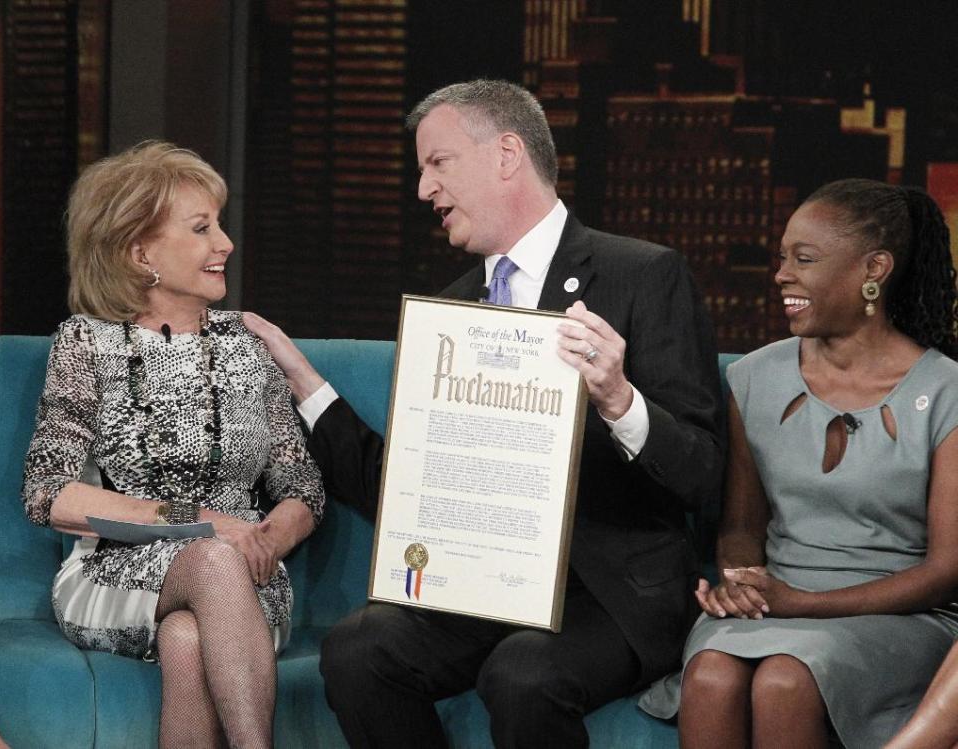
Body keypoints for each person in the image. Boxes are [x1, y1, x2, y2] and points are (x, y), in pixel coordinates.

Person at [244, 78, 723, 747]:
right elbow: (402, 483)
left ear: (505, 155)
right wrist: (303, 380)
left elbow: (702, 473)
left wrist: (618, 398)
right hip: (484, 584)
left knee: (524, 675)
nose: (423, 190)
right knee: (359, 650)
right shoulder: (452, 309)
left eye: (438, 164)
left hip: (611, 591)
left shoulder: (643, 275)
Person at [21, 141, 325, 748]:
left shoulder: (248, 344)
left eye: (220, 224)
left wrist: (263, 539)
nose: (226, 245)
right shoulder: (88, 342)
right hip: (117, 572)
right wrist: (209, 525)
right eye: (202, 228)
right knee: (212, 561)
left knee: (188, 637)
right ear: (140, 252)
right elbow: (49, 494)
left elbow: (302, 489)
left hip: (246, 575)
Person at [636, 178, 958, 749]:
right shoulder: (754, 378)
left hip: (897, 613)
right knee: (709, 677)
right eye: (782, 258)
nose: (782, 274)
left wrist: (806, 606)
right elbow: (740, 529)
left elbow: (944, 572)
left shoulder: (947, 391)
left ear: (873, 269)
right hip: (777, 601)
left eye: (804, 259)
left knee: (786, 680)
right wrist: (740, 583)